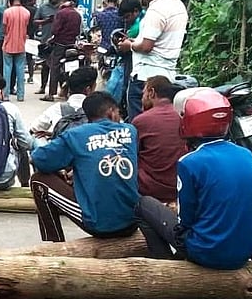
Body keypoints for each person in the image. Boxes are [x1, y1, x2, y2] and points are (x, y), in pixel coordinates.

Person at [135, 87, 252, 269]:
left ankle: (166, 266)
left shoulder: (189, 162)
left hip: (206, 253)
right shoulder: (246, 154)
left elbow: (186, 219)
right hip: (243, 253)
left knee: (143, 204)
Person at [30, 91, 140, 242]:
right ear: (111, 112)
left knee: (38, 180)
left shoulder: (76, 135)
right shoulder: (131, 131)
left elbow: (38, 159)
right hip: (133, 221)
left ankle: (54, 244)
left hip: (99, 224)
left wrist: (62, 170)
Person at [120, 0, 188, 121]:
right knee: (161, 121)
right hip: (167, 76)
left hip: (146, 77)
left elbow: (146, 46)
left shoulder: (156, 9)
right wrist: (135, 42)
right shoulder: (178, 5)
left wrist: (129, 46)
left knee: (140, 123)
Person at [132, 75, 188, 203]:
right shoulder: (184, 115)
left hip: (152, 190)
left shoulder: (141, 120)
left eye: (143, 94)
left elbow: (131, 156)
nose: (142, 99)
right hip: (182, 185)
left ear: (151, 93)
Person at [30, 66, 97, 149]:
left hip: (61, 155)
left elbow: (34, 128)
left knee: (36, 137)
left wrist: (54, 133)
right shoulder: (97, 110)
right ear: (88, 90)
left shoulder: (56, 108)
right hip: (88, 153)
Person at [43, 0, 82, 102]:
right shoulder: (77, 15)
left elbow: (55, 31)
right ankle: (69, 92)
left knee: (54, 67)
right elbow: (78, 32)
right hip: (72, 45)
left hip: (60, 45)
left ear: (64, 2)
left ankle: (51, 94)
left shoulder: (61, 13)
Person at [1, 0, 31, 101]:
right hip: (21, 45)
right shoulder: (26, 13)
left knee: (7, 71)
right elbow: (26, 27)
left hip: (8, 44)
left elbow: (4, 29)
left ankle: (6, 95)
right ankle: (21, 95)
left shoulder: (7, 12)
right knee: (20, 71)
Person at [32, 0, 61, 94]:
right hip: (45, 40)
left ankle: (58, 89)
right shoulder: (43, 7)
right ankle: (43, 87)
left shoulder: (61, 8)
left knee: (58, 66)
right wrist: (45, 21)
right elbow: (35, 21)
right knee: (45, 65)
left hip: (58, 41)